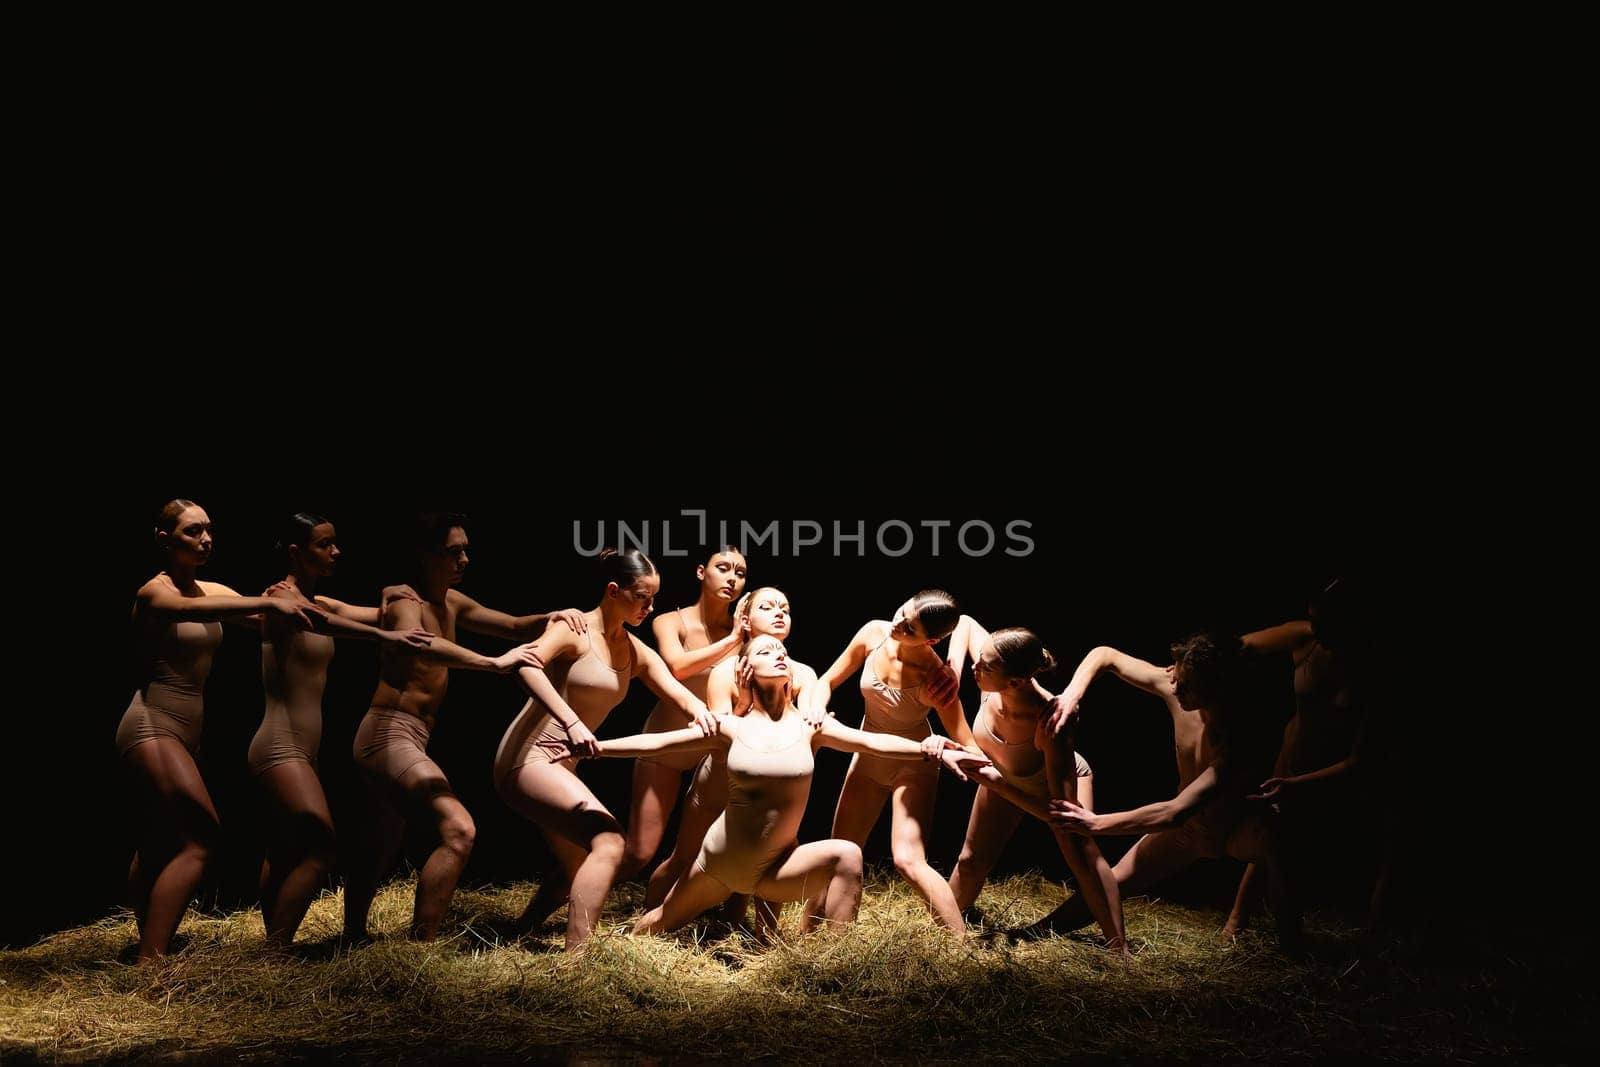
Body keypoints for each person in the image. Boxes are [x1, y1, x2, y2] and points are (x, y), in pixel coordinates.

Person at [580, 636, 989, 936]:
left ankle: (831, 970)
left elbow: (871, 740)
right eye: (764, 652)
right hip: (720, 864)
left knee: (847, 854)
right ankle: (618, 947)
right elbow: (659, 742)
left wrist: (931, 749)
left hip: (776, 870)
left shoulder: (812, 727)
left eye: (783, 653)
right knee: (656, 926)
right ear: (745, 670)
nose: (778, 656)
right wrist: (596, 748)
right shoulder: (729, 727)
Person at [341, 512, 570, 943]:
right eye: (453, 551)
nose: (464, 559)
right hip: (387, 733)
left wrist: (560, 615)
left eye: (466, 549)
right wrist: (491, 663)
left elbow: (513, 625)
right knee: (459, 830)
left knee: (380, 841)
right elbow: (420, 642)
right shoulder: (405, 599)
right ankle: (420, 949)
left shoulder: (452, 601)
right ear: (424, 555)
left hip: (411, 737)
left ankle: (352, 934)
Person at [118, 499, 322, 961]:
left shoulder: (211, 590)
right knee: (200, 838)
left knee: (157, 841)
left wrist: (296, 601)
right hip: (152, 725)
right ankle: (152, 963)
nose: (206, 539)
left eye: (209, 529)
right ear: (164, 539)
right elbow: (194, 613)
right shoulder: (154, 592)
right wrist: (270, 601)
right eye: (192, 531)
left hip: (186, 732)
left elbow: (271, 618)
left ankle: (146, 935)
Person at [492, 548, 715, 951]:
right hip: (528, 757)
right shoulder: (573, 629)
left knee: (578, 863)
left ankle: (520, 931)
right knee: (610, 842)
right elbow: (526, 665)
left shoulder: (631, 648)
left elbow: (675, 689)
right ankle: (579, 960)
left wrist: (702, 712)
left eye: (654, 599)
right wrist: (571, 721)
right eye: (641, 597)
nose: (649, 607)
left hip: (563, 764)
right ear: (614, 591)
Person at [1043, 632, 1301, 955]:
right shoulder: (1176, 687)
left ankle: (1293, 951)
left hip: (1233, 828)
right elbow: (1106, 655)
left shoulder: (1237, 738)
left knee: (1276, 844)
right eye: (1176, 677)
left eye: (1187, 684)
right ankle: (1039, 931)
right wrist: (1071, 695)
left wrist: (1095, 823)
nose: (1175, 687)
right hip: (1188, 833)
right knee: (1111, 884)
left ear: (1215, 688)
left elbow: (1175, 810)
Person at [944, 625, 1126, 953]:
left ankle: (1120, 949)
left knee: (1083, 854)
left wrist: (993, 782)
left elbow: (1057, 812)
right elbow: (966, 623)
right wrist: (952, 669)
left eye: (984, 665)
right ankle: (945, 927)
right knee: (970, 860)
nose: (976, 667)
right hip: (1003, 778)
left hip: (1052, 790)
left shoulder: (1051, 720)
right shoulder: (991, 684)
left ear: (1014, 681)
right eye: (979, 660)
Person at [805, 590, 970, 932]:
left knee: (909, 860)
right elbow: (827, 680)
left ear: (933, 640)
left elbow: (965, 740)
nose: (898, 625)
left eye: (911, 629)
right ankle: (806, 938)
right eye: (901, 613)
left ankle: (962, 948)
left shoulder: (935, 676)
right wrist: (816, 708)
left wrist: (943, 742)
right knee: (839, 852)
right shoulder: (874, 633)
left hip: (914, 764)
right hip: (869, 756)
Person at [619, 548, 747, 885]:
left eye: (740, 572)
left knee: (703, 850)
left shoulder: (749, 636)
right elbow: (676, 667)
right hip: (667, 745)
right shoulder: (669, 621)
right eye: (723, 568)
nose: (732, 577)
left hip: (715, 754)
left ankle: (675, 911)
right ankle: (575, 899)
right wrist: (733, 639)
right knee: (639, 852)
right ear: (702, 572)